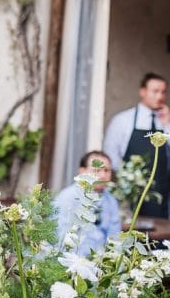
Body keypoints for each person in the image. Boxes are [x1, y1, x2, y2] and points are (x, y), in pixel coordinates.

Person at [102, 72, 169, 218]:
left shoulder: (167, 122)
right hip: (131, 196)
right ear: (143, 91)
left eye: (164, 92)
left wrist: (167, 125)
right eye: (155, 91)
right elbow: (110, 153)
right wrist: (128, 179)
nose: (160, 97)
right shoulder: (122, 120)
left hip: (163, 196)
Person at [54, 151, 121, 255]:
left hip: (101, 263)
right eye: (97, 170)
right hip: (71, 261)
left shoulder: (111, 201)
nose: (103, 175)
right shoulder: (68, 198)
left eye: (107, 170)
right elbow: (60, 238)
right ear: (82, 171)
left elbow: (115, 239)